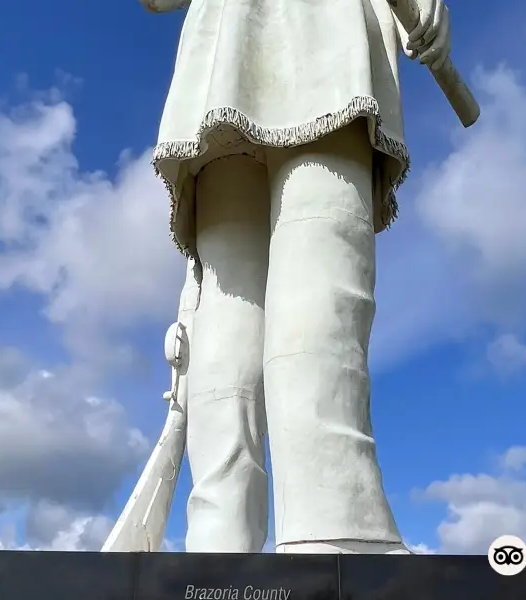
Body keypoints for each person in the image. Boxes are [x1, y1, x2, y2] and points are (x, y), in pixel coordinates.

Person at [144, 0, 452, 553]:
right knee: (318, 264)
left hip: (228, 46)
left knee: (233, 296)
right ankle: (335, 523)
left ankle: (221, 541)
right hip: (317, 32)